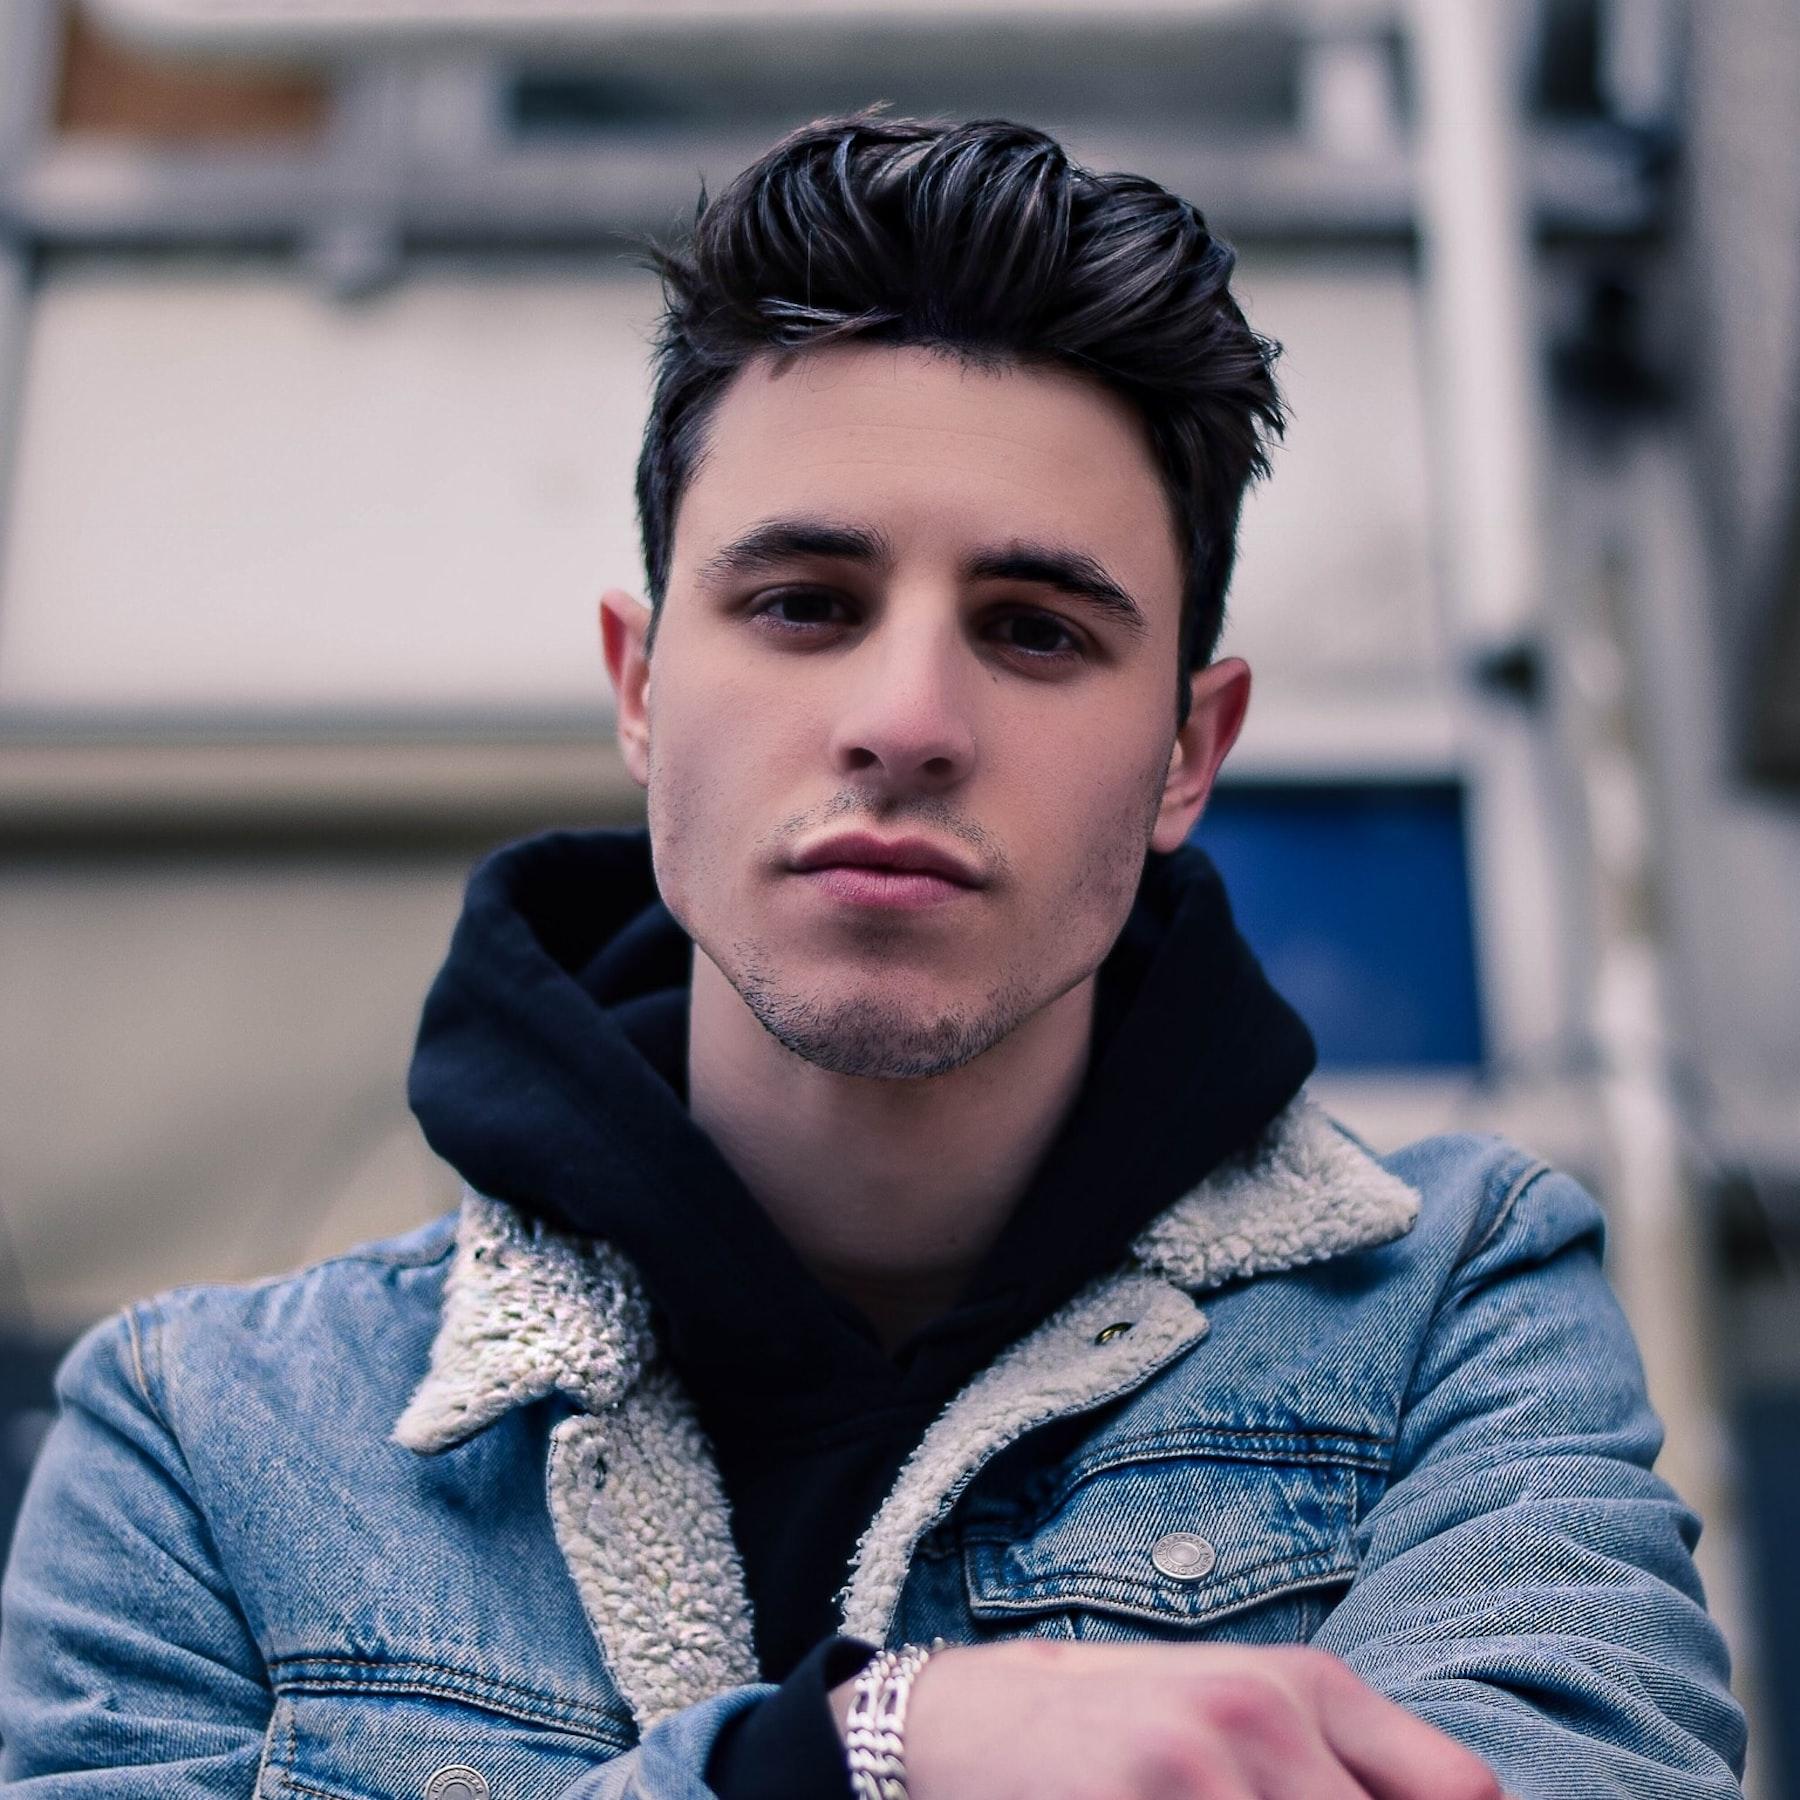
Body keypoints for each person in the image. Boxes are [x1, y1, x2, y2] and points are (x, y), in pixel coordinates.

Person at [0, 113, 1747, 1800]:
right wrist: (849, 1759)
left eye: (1034, 631)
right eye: (805, 606)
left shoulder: (1451, 1312)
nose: (906, 721)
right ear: (640, 688)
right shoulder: (202, 1442)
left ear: (1187, 755)